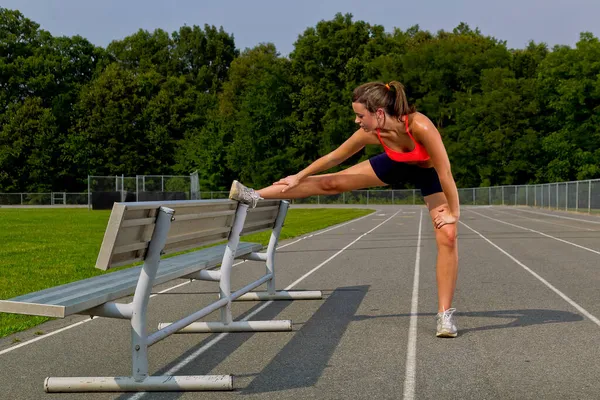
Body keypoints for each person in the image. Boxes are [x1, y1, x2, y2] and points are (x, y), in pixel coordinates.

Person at [229, 81, 460, 338]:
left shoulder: (420, 126)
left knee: (448, 237)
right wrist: (299, 175)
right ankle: (253, 195)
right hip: (395, 164)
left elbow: (445, 171)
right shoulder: (371, 132)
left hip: (429, 172)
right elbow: (334, 158)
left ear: (379, 113)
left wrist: (453, 214)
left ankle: (444, 315)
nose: (356, 120)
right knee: (330, 182)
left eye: (360, 115)